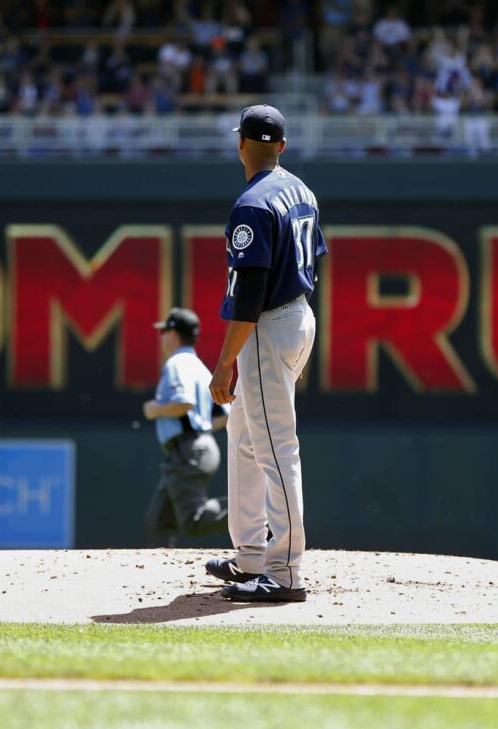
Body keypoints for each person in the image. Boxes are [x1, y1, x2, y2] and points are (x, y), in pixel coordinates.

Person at [206, 105, 326, 602]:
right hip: (297, 317)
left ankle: (285, 572)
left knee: (276, 447)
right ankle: (251, 554)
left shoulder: (252, 204)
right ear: (281, 145)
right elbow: (312, 261)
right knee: (244, 436)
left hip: (268, 325)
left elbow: (250, 295)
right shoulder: (300, 189)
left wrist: (224, 360)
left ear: (241, 146)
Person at [142, 308, 229, 547]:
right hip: (196, 448)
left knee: (194, 520)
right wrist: (201, 431)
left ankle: (255, 513)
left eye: (164, 331)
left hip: (188, 451)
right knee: (159, 522)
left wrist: (155, 409)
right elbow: (224, 416)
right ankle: (157, 575)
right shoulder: (199, 366)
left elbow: (184, 402)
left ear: (174, 333)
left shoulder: (177, 363)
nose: (161, 337)